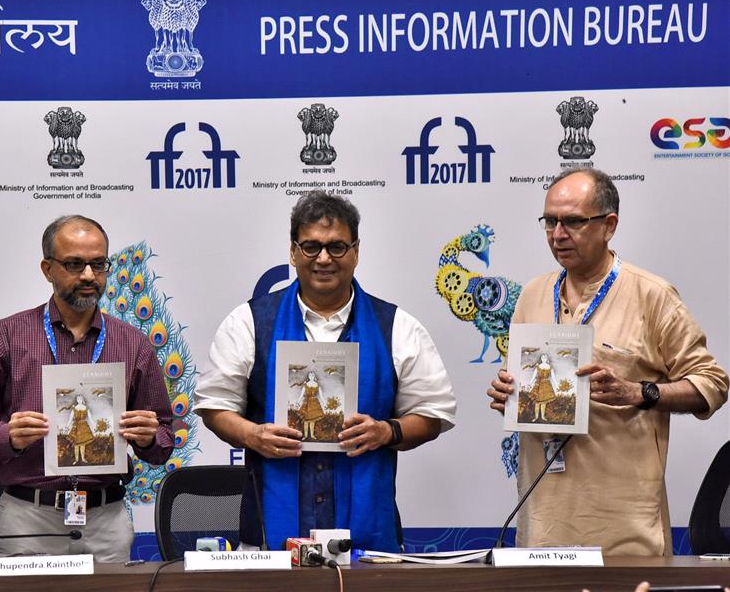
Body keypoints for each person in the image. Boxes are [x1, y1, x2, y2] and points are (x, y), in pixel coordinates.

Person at [193, 191, 457, 552]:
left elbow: (433, 414)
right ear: (292, 251)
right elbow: (213, 406)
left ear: (356, 251)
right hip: (270, 542)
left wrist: (386, 431)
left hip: (370, 547)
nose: (323, 259)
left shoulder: (397, 327)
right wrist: (253, 436)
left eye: (336, 247)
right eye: (311, 246)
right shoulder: (249, 323)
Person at [487, 167, 728, 556]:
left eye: (573, 222)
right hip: (542, 528)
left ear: (609, 225)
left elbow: (712, 384)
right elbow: (519, 382)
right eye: (550, 221)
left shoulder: (652, 295)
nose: (558, 234)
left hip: (623, 533)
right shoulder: (532, 293)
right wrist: (507, 392)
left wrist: (639, 391)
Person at [0, 214, 174, 562]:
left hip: (107, 518)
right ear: (48, 269)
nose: (88, 275)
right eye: (74, 264)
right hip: (29, 517)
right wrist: (7, 436)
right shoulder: (8, 335)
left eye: (98, 264)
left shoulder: (134, 344)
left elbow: (163, 440)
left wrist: (148, 437)